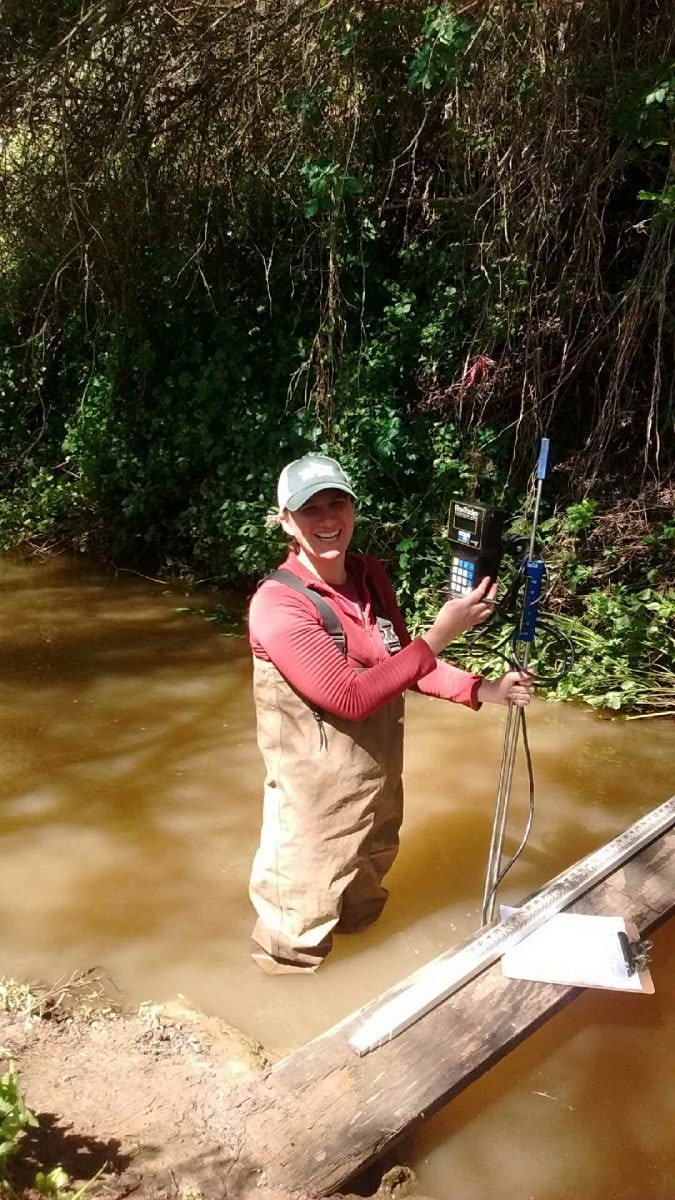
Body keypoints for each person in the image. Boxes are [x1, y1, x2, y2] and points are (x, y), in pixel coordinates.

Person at [247, 453, 533, 974]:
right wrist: (443, 630)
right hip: (313, 798)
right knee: (297, 927)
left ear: (354, 509)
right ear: (285, 520)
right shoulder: (278, 604)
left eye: (337, 503)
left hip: (376, 780)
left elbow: (404, 663)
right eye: (309, 509)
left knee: (365, 897)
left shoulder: (368, 575)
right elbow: (350, 697)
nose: (327, 519)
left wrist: (484, 689)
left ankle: (358, 971)